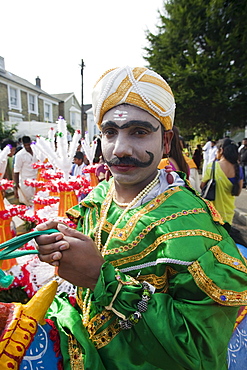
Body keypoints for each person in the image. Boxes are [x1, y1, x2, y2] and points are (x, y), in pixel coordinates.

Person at [1, 66, 247, 369]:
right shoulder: (99, 196)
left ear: (166, 142)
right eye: (110, 132)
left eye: (140, 132)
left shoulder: (193, 227)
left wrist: (99, 278)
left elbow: (201, 350)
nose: (121, 149)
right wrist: (57, 242)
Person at [201, 138, 243, 227]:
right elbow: (238, 192)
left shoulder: (212, 167)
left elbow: (202, 186)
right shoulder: (238, 169)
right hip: (228, 212)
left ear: (221, 150)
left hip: (212, 212)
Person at [13, 135, 38, 206]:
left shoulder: (36, 151)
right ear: (22, 144)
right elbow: (16, 171)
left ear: (31, 143)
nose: (27, 146)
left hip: (36, 180)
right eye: (25, 145)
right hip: (26, 182)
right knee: (29, 202)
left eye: (28, 144)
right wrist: (16, 186)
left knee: (38, 200)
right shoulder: (19, 155)